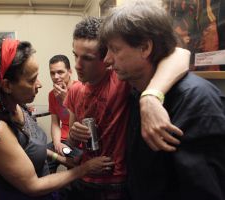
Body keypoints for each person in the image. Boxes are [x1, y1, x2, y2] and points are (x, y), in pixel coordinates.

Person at [0, 38, 115, 200]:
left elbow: (30, 146)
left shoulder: (17, 106)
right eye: (32, 80)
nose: (39, 84)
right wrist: (84, 169)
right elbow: (33, 186)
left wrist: (61, 158)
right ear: (7, 86)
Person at [100, 0, 225, 199]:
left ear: (145, 48)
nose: (107, 59)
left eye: (115, 49)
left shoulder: (196, 100)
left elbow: (203, 190)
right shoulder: (136, 90)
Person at [64, 16, 190, 199]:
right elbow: (71, 146)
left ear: (105, 59)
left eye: (87, 58)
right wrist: (74, 137)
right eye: (75, 55)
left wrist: (151, 97)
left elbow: (181, 54)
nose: (77, 65)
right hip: (84, 178)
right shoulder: (75, 90)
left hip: (117, 184)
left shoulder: (120, 78)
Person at [47, 54, 82, 173]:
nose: (56, 77)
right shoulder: (52, 94)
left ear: (70, 71)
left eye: (60, 72)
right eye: (52, 73)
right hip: (61, 139)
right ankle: (48, 189)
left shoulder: (80, 89)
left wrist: (66, 100)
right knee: (40, 155)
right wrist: (57, 143)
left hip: (78, 140)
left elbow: (81, 121)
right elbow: (55, 123)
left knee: (78, 160)